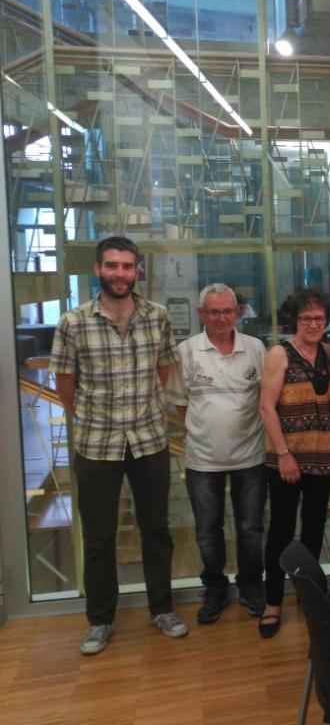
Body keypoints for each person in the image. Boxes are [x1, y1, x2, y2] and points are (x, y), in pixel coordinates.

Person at [49, 236, 188, 655]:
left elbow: (162, 370)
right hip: (97, 444)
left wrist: (140, 408)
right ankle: (100, 620)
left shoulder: (157, 316)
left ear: (136, 270)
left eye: (128, 266)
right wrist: (93, 417)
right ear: (98, 269)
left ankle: (161, 609)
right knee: (98, 536)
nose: (120, 273)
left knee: (156, 530)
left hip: (149, 439)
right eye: (112, 265)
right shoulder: (74, 322)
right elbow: (65, 384)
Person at [165, 284, 267, 625]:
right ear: (201, 314)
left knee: (251, 528)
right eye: (214, 312)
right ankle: (215, 588)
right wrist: (206, 428)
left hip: (251, 456)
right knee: (207, 531)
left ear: (237, 312)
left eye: (227, 311)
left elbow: (266, 399)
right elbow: (181, 403)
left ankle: (251, 584)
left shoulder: (255, 349)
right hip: (202, 460)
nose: (222, 318)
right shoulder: (186, 351)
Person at [258, 288, 330, 638]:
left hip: (322, 456)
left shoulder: (328, 353)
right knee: (280, 530)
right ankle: (273, 601)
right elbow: (266, 407)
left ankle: (308, 594)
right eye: (306, 318)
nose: (313, 324)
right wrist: (283, 454)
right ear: (295, 320)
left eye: (319, 318)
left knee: (314, 528)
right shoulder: (280, 353)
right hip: (286, 459)